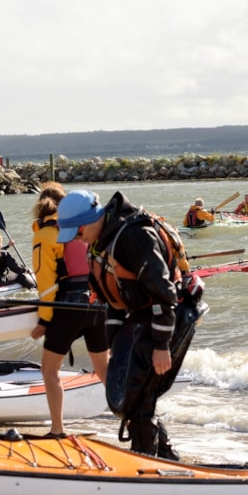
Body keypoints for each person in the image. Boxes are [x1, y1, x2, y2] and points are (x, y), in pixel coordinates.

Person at [57, 189, 207, 460]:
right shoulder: (99, 243)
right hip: (139, 318)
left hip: (169, 314)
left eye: (77, 232)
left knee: (140, 396)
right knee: (134, 396)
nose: (77, 239)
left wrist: (161, 345)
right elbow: (114, 302)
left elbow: (163, 292)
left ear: (91, 219)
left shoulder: (134, 236)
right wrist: (114, 343)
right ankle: (164, 454)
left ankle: (145, 459)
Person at [29, 182, 109, 437]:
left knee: (50, 370)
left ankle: (57, 429)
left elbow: (45, 282)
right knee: (105, 371)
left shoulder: (45, 235)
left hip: (68, 307)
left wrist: (44, 319)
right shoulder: (86, 227)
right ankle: (132, 420)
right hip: (98, 305)